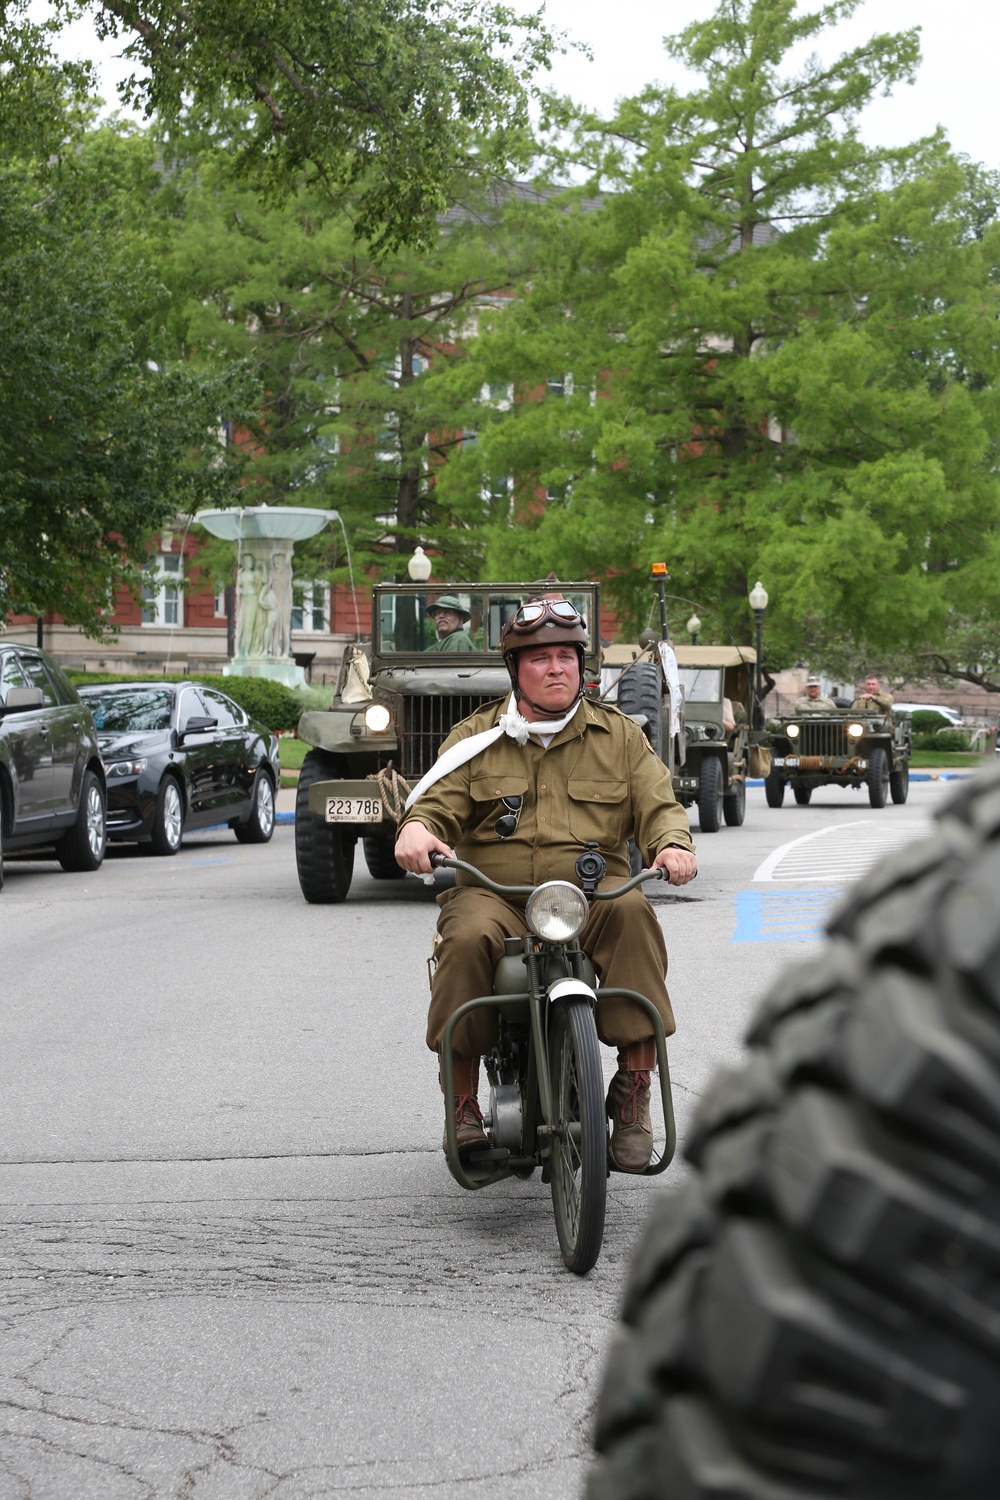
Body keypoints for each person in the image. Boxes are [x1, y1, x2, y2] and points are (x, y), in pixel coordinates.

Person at [394, 598, 697, 1173]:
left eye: (566, 656)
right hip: (495, 894)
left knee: (635, 913)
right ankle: (461, 1105)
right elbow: (435, 803)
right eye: (540, 659)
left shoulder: (620, 736)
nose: (557, 668)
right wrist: (417, 829)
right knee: (465, 937)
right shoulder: (475, 737)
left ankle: (634, 1093)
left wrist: (672, 845)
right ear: (516, 671)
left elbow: (659, 804)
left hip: (590, 895)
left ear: (583, 668)